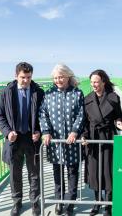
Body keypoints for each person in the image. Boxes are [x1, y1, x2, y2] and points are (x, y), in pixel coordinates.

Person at [0, 62, 44, 216]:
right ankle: (17, 203)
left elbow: (43, 115)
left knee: (34, 173)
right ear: (16, 76)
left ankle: (35, 202)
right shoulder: (6, 92)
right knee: (15, 173)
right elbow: (0, 116)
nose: (26, 81)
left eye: (29, 77)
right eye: (23, 77)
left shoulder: (38, 92)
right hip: (14, 139)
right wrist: (7, 132)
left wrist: (39, 131)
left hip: (32, 138)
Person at [39, 64, 85, 216]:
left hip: (72, 141)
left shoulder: (77, 93)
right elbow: (43, 114)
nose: (58, 80)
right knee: (57, 172)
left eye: (61, 77)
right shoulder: (48, 94)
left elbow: (81, 114)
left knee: (72, 172)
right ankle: (59, 201)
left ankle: (70, 203)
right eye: (55, 78)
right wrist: (45, 132)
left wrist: (74, 131)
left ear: (68, 77)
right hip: (55, 142)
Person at [82, 69, 122, 216]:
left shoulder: (113, 98)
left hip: (108, 137)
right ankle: (97, 202)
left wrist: (120, 122)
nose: (93, 85)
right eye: (91, 82)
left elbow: (119, 117)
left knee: (108, 171)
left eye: (96, 82)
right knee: (94, 172)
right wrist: (84, 136)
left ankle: (108, 205)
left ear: (103, 82)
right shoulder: (87, 98)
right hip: (93, 139)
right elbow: (84, 122)